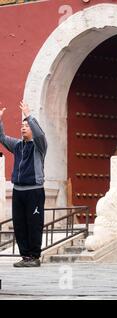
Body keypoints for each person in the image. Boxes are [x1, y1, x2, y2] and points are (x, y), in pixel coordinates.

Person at [0, 102, 47, 267]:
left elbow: (40, 134)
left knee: (34, 224)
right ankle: (25, 256)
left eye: (27, 125)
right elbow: (2, 137)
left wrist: (28, 115)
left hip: (34, 191)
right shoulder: (17, 146)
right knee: (19, 225)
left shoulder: (39, 146)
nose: (24, 127)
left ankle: (34, 257)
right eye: (22, 125)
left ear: (33, 129)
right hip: (18, 191)